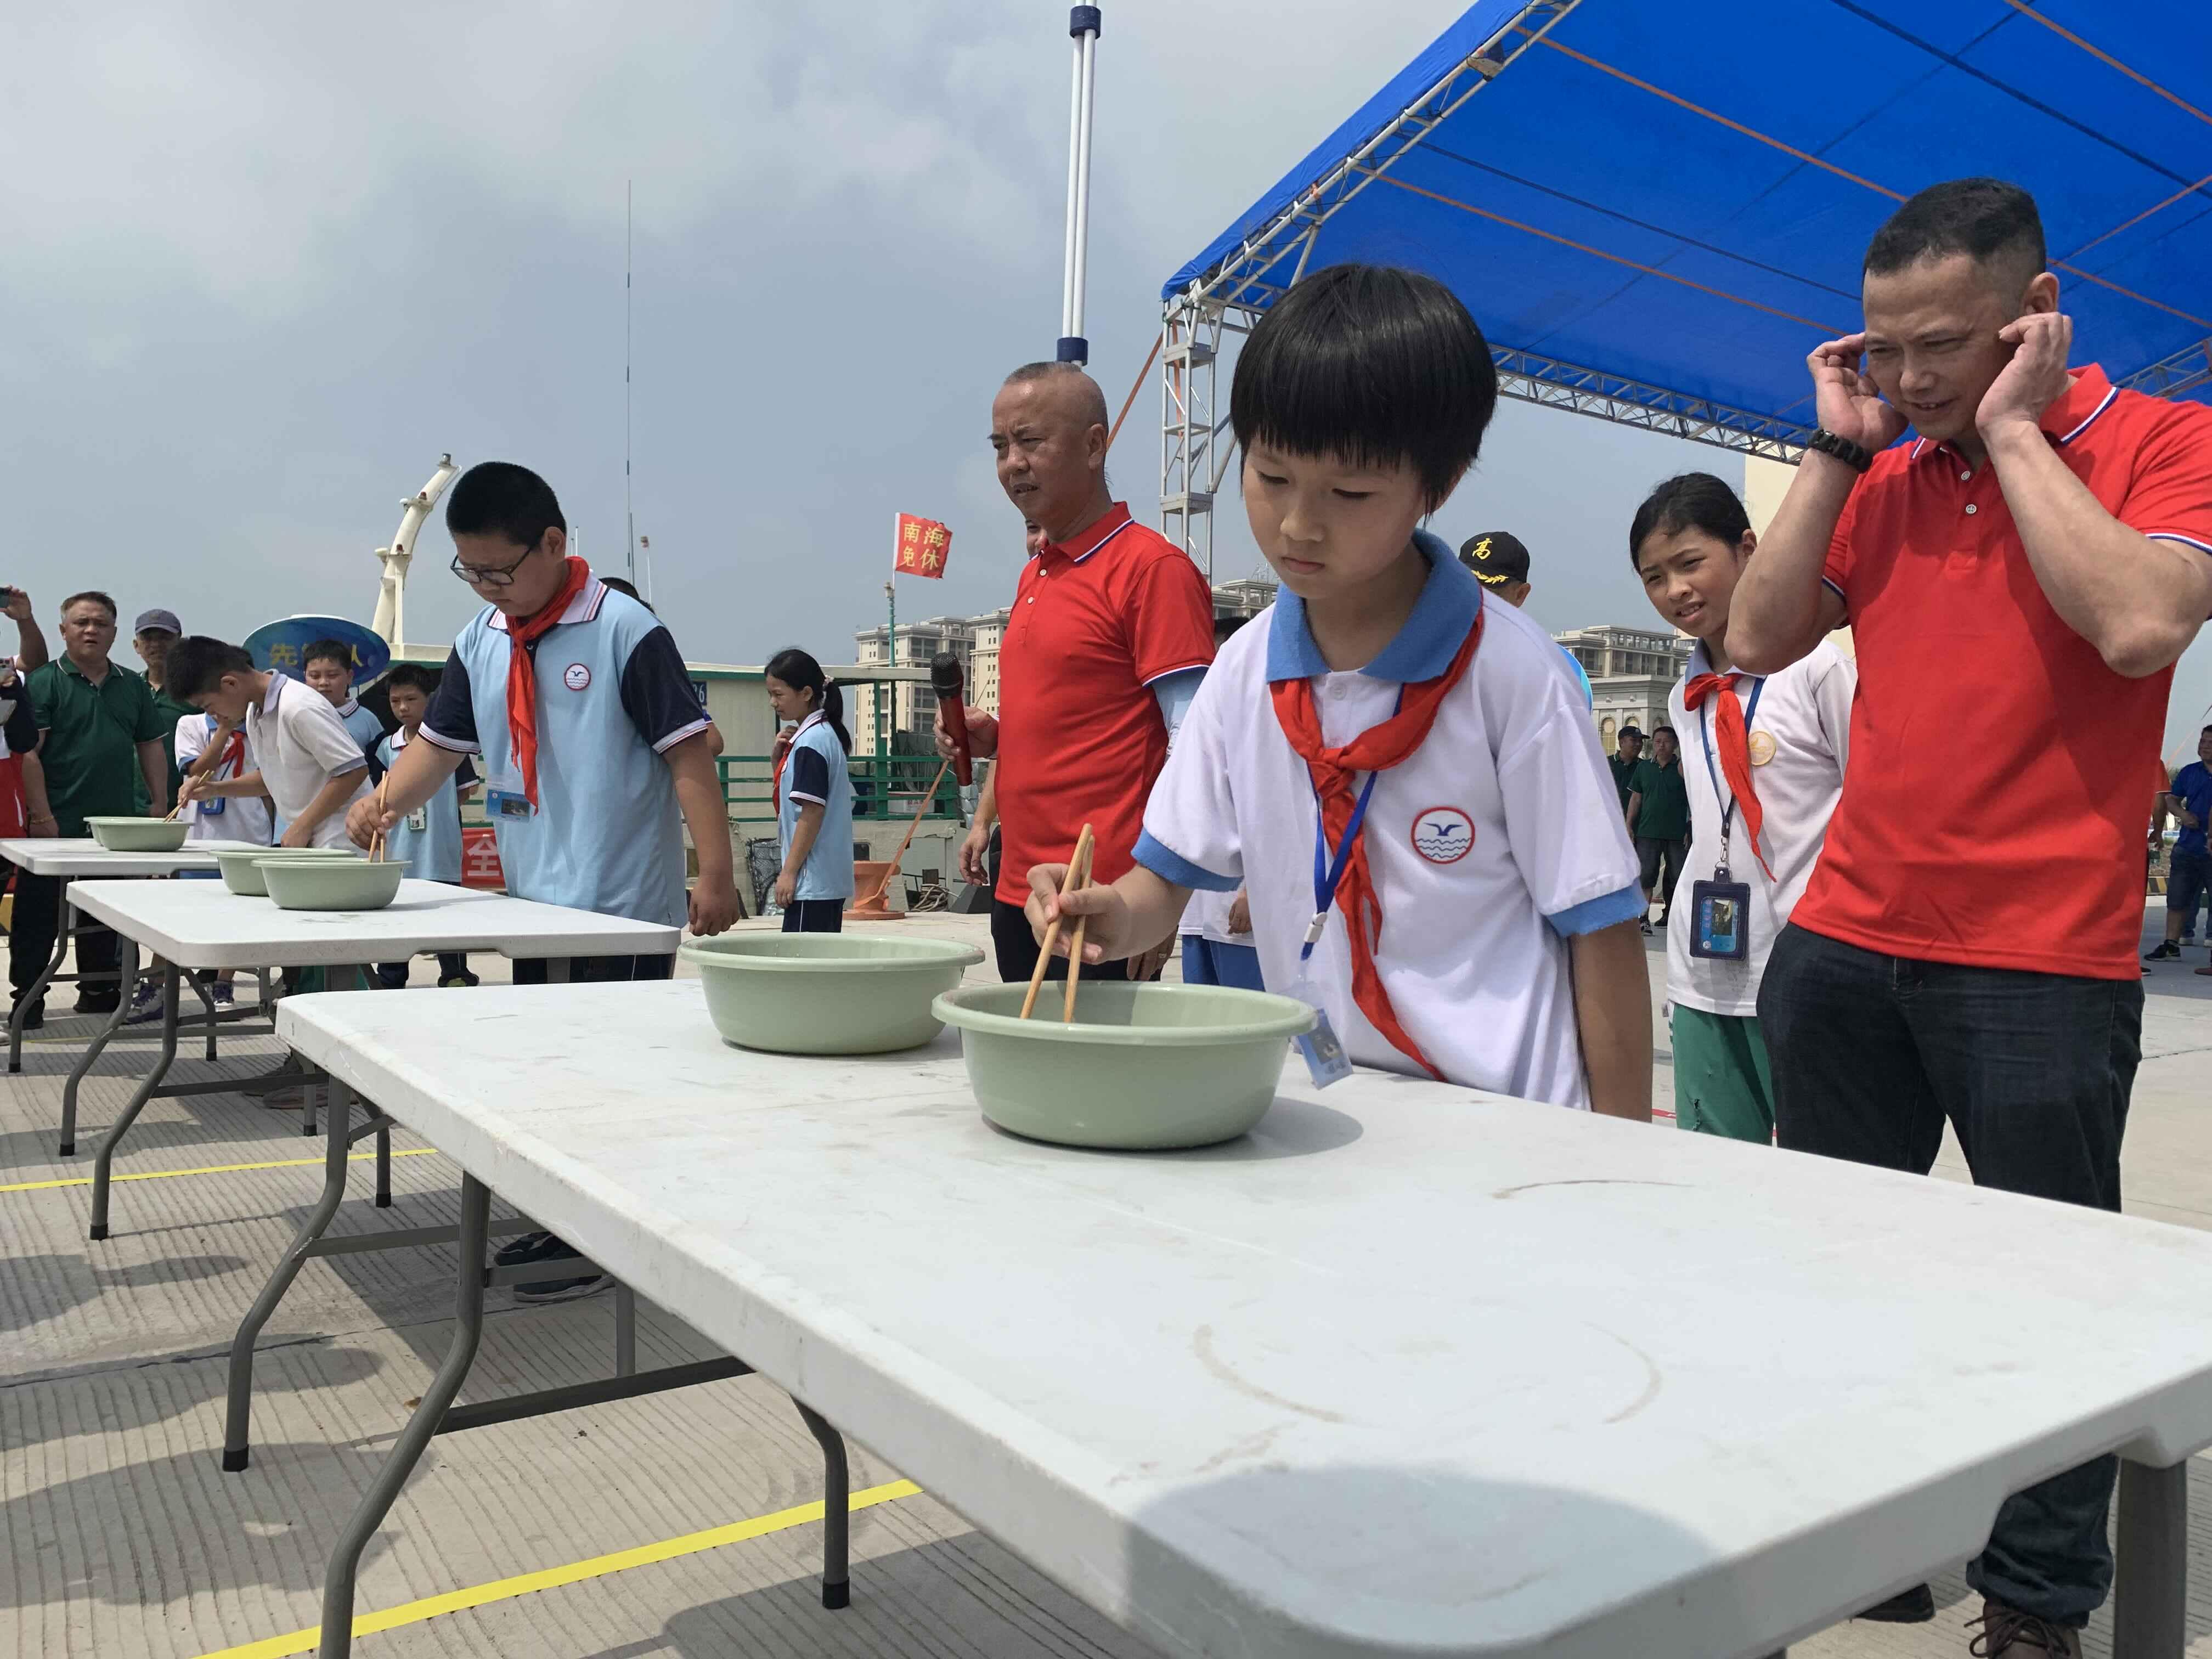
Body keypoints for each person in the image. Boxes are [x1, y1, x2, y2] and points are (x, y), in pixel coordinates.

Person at [1726, 177, 2212, 1656]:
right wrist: (1829, 446)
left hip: (2036, 966)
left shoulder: (2166, 441)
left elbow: (2135, 623)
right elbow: (1754, 634)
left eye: (1944, 345)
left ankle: (2037, 1603)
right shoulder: (1885, 472)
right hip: (1849, 944)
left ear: (2037, 309)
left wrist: (2012, 434)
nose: (1915, 378)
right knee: (1837, 1274)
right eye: (1885, 349)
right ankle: (1861, 1535)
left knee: (2052, 1301)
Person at [1025, 264, 1651, 1117]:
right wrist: (1103, 916)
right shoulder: (1244, 674)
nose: (1297, 525)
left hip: (1511, 1122)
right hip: (1335, 1109)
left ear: (1440, 484)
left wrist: (1619, 1166)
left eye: (1349, 493)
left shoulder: (1513, 675)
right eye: (1271, 476)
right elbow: (1161, 885)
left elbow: (1600, 926)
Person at [346, 461, 740, 1302]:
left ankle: (608, 1242)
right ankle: (570, 1225)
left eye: (500, 569)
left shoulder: (626, 631)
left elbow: (688, 755)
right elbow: (439, 750)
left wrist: (716, 873)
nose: (488, 587)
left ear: (554, 545)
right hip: (534, 904)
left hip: (621, 905)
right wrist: (378, 803)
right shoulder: (483, 640)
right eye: (472, 572)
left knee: (616, 1080)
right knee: (553, 1077)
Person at [944, 362, 1216, 987]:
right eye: (1000, 446)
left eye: (1031, 441)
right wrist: (993, 735)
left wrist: (1162, 906)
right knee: (1025, 1072)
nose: (1013, 462)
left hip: (1103, 898)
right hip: (1019, 887)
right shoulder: (1037, 572)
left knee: (1092, 1080)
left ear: (1095, 446)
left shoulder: (1152, 570)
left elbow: (1198, 747)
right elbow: (1062, 714)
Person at [1632, 472, 1853, 1141]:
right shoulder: (1688, 695)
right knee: (1717, 1168)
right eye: (1654, 577)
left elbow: (1871, 810)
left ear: (1749, 551)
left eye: (1691, 563)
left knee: (1825, 1167)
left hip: (1806, 967)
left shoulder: (1818, 671)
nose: (1676, 591)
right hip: (1705, 970)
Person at [15, 592, 170, 1021]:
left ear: (115, 634)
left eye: (100, 624)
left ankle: (101, 993)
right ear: (63, 630)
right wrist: (42, 814)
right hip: (56, 823)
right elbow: (29, 753)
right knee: (38, 917)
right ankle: (28, 1000)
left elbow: (150, 746)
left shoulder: (132, 684)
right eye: (81, 623)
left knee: (110, 915)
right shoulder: (44, 681)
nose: (91, 631)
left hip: (117, 824)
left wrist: (158, 804)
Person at [167, 637, 374, 849]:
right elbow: (272, 778)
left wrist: (302, 825)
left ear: (230, 684)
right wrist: (214, 789)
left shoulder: (298, 707)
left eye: (208, 706)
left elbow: (354, 770)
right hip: (312, 838)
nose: (212, 714)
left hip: (345, 837)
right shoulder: (254, 712)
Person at [371, 664, 478, 989]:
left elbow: (466, 790)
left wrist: (438, 814)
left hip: (439, 848)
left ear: (430, 700)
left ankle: (455, 975)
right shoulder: (384, 748)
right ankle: (390, 979)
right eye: (395, 701)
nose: (403, 708)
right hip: (399, 851)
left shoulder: (450, 746)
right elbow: (378, 796)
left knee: (446, 918)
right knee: (395, 918)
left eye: (411, 699)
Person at [1177, 616, 1264, 992]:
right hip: (1198, 915)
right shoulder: (1203, 723)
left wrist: (1254, 892)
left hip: (1243, 915)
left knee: (1250, 1027)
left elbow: (1276, 822)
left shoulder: (1269, 724)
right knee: (1204, 1027)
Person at [170, 705, 272, 1011]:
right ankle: (160, 984)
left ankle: (224, 983)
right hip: (198, 836)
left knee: (239, 914)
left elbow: (270, 780)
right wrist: (225, 731)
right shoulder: (190, 724)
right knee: (182, 913)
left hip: (247, 833)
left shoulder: (261, 727)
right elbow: (197, 771)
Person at [764, 647, 855, 932]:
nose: (773, 703)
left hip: (811, 883)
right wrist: (778, 762)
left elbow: (812, 811)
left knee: (802, 970)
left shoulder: (811, 742)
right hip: (824, 881)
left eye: (779, 694)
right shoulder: (822, 735)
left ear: (805, 693)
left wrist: (789, 873)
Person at [1458, 529, 1593, 705]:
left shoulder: (1560, 670)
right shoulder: (1424, 647)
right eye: (1466, 588)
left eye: (1491, 597)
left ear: (1521, 594)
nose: (1475, 603)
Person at [2146, 728, 2212, 965]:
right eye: (2202, 742)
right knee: (2177, 899)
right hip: (2188, 846)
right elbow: (2171, 799)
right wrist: (2183, 814)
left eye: (2210, 743)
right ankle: (2172, 944)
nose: (2205, 746)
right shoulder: (2189, 773)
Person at [1624, 725, 1689, 933]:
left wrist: (1690, 827)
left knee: (1679, 876)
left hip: (1677, 833)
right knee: (1646, 876)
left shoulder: (1682, 768)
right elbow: (1636, 798)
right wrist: (1629, 824)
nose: (1661, 745)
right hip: (1647, 831)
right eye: (1658, 741)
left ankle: (1679, 918)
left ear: (1676, 744)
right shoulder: (1644, 768)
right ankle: (1643, 917)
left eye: (1666, 741)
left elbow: (1693, 799)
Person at [132, 608, 198, 807]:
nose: (156, 645)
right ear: (136, 645)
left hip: (183, 803)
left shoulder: (197, 693)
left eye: (164, 638)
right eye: (148, 638)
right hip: (128, 803)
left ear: (180, 643)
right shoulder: (125, 687)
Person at [302, 639, 388, 755]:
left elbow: (380, 767)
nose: (323, 683)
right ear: (305, 678)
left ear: (349, 676)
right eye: (315, 676)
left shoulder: (368, 721)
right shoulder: (297, 715)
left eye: (332, 675)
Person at [1609, 724, 1643, 809]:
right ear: (1622, 742)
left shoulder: (1644, 767)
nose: (1638, 744)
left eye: (1641, 741)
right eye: (1634, 740)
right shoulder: (1606, 764)